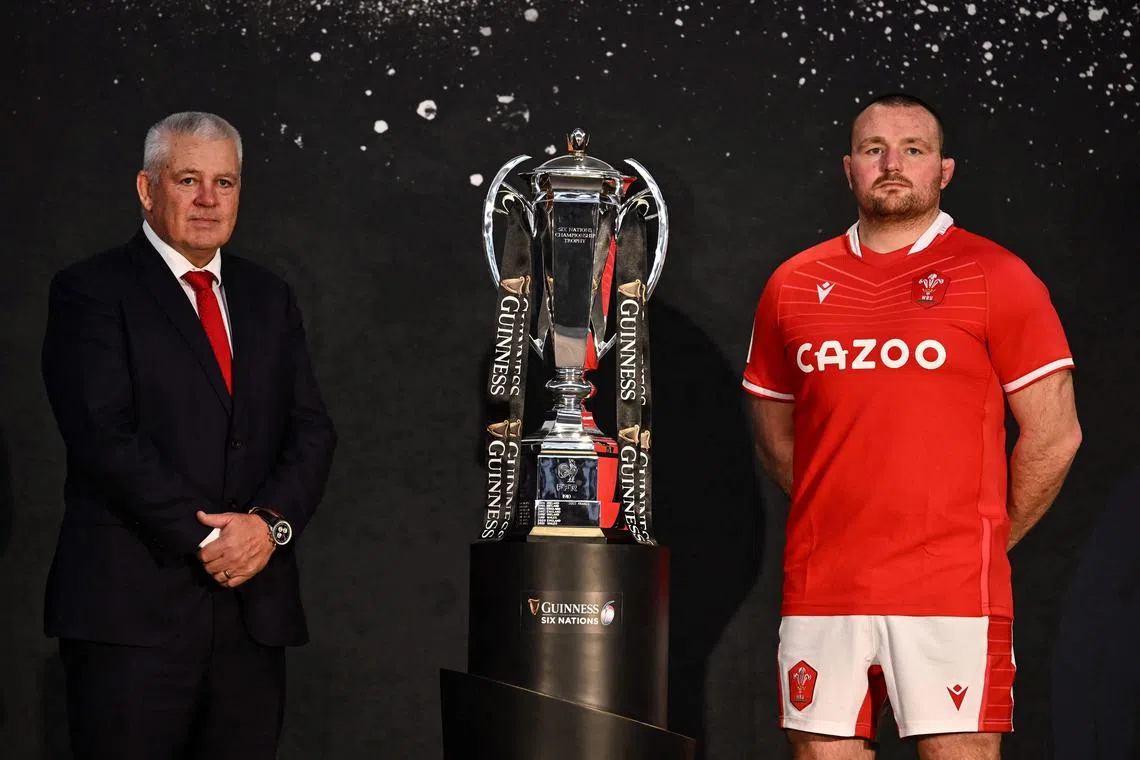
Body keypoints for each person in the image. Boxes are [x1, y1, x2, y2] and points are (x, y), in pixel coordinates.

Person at [743, 93, 1081, 759]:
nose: (892, 163)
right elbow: (775, 433)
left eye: (913, 150)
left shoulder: (997, 275)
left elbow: (1055, 433)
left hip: (950, 588)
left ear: (943, 170)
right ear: (849, 168)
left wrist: (982, 541)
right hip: (824, 583)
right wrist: (835, 512)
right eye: (874, 149)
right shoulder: (792, 284)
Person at [41, 111, 337, 759]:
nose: (208, 199)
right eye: (188, 180)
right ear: (147, 189)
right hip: (131, 616)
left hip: (251, 615)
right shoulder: (91, 291)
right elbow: (102, 436)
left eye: (224, 183)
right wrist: (212, 537)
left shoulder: (268, 297)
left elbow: (311, 431)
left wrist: (267, 526)